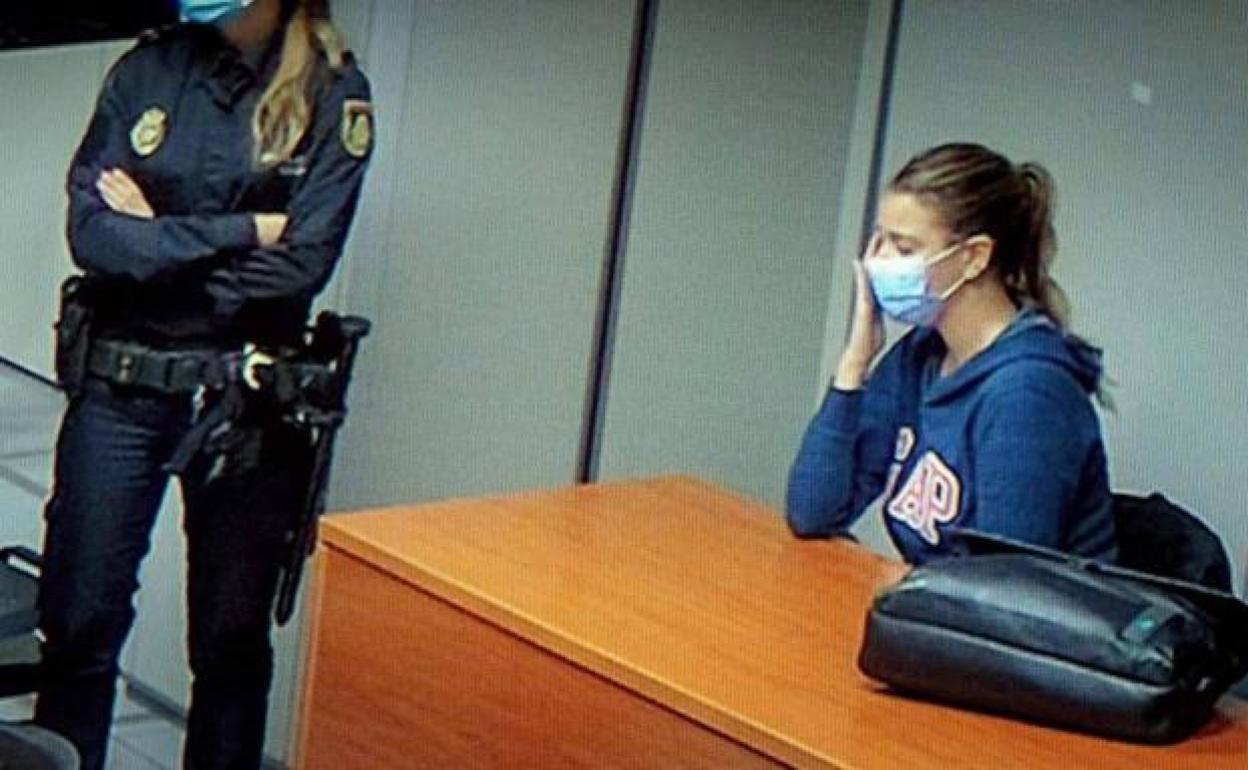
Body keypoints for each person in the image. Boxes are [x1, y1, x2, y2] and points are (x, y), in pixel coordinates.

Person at [34, 1, 373, 768]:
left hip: (246, 403)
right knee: (79, 621)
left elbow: (303, 263)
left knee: (230, 644)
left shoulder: (332, 93)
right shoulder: (147, 69)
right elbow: (94, 235)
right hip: (123, 388)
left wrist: (156, 240)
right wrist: (245, 230)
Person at [785, 143, 1115, 564]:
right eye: (879, 240)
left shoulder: (1028, 395)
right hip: (943, 600)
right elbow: (812, 512)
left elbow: (1002, 582)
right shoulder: (919, 355)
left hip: (999, 607)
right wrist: (854, 363)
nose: (876, 261)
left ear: (974, 257)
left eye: (904, 248)